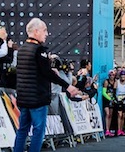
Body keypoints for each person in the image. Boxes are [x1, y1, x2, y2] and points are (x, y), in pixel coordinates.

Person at [13, 18, 79, 152]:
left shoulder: (21, 50)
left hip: (24, 98)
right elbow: (47, 73)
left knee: (22, 130)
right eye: (44, 30)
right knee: (38, 131)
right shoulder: (39, 50)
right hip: (38, 98)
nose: (47, 34)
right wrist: (68, 85)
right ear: (36, 31)